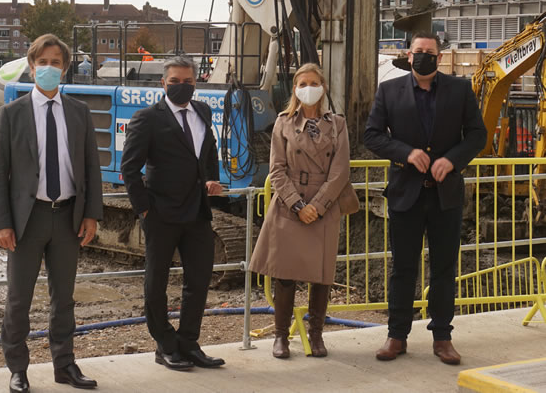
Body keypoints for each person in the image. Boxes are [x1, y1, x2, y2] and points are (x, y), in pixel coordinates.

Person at [364, 31, 486, 365]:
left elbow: (477, 134)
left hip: (445, 196)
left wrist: (453, 159)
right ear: (408, 53)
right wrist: (405, 153)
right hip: (406, 194)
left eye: (430, 52)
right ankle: (396, 335)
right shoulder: (389, 91)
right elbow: (372, 135)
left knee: (444, 269)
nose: (424, 56)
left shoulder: (460, 90)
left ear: (439, 56)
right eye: (419, 51)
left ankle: (443, 338)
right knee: (402, 268)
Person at [0, 34, 103, 392]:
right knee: (18, 299)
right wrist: (2, 223)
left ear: (65, 68)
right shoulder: (12, 114)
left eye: (56, 63)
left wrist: (91, 214)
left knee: (64, 299)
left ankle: (65, 365)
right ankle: (18, 369)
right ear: (32, 65)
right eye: (43, 62)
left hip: (68, 217)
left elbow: (90, 166)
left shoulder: (80, 112)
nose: (49, 68)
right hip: (28, 220)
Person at [120, 56, 225, 371]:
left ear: (196, 82)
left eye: (189, 81)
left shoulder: (202, 112)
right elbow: (129, 168)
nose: (183, 86)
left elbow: (208, 150)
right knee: (157, 282)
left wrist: (211, 177)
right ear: (163, 84)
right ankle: (165, 345)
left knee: (199, 279)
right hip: (161, 213)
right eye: (176, 81)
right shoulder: (147, 118)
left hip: (197, 213)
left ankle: (189, 342)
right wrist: (145, 210)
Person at [249, 63, 352, 359]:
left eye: (313, 82)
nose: (308, 88)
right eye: (302, 83)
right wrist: (298, 204)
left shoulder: (338, 124)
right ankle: (281, 336)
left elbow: (340, 171)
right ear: (294, 89)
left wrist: (317, 207)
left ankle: (316, 334)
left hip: (325, 205)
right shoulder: (283, 123)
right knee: (285, 275)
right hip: (289, 205)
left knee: (320, 275)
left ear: (323, 87)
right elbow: (276, 170)